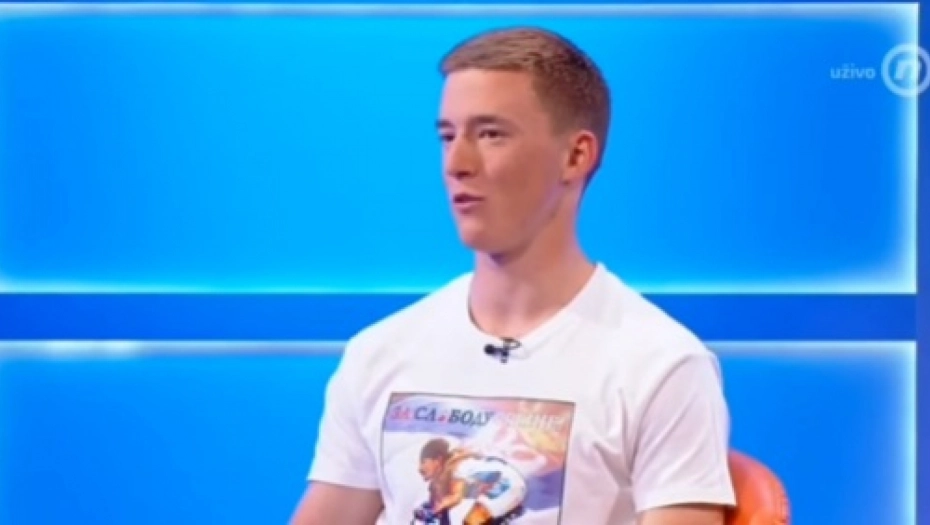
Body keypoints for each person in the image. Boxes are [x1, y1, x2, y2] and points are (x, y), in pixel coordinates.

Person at [290, 26, 735, 525]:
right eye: (447, 136)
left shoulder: (661, 366)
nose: (457, 163)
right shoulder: (380, 353)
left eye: (490, 134)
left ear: (576, 156)